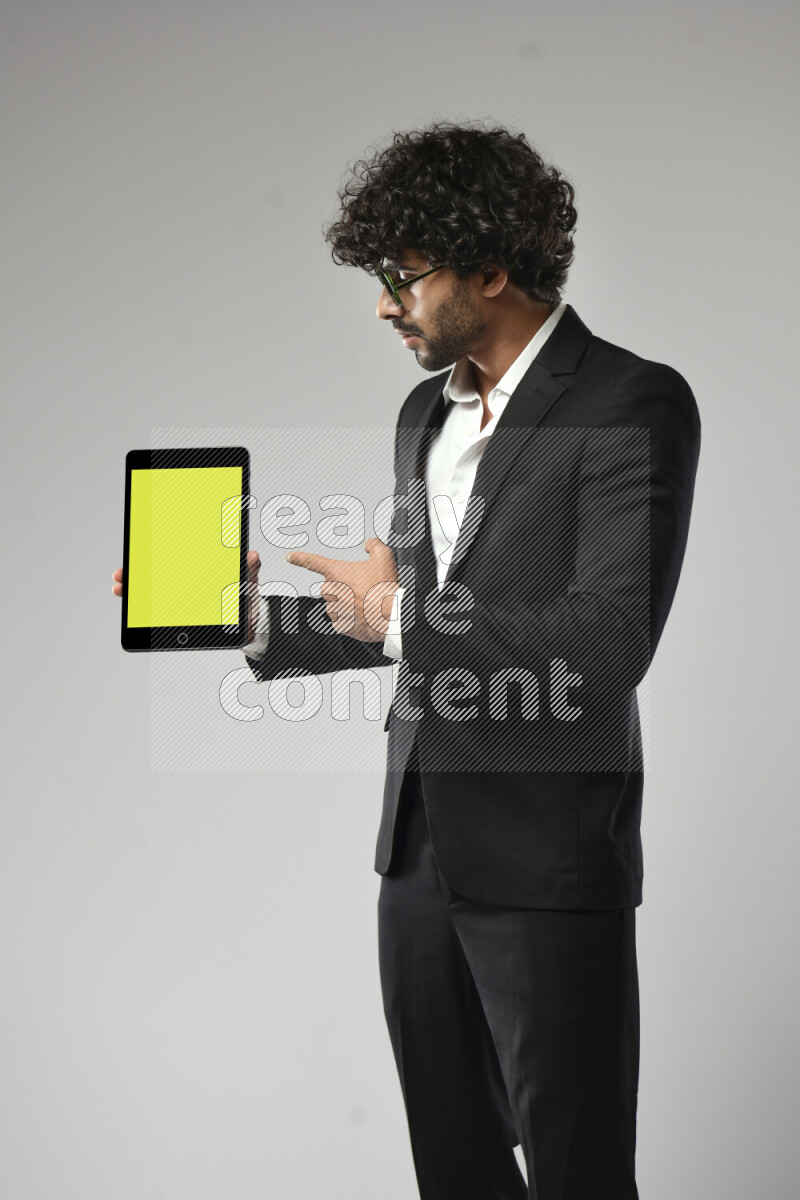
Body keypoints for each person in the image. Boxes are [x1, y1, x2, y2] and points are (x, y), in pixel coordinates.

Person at [113, 120, 701, 1199]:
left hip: (546, 856)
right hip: (417, 854)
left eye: (402, 276)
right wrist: (253, 619)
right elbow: (414, 622)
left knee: (573, 1173)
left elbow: (607, 641)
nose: (384, 305)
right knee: (454, 1170)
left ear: (489, 264)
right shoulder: (418, 415)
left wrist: (400, 614)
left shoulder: (630, 400)